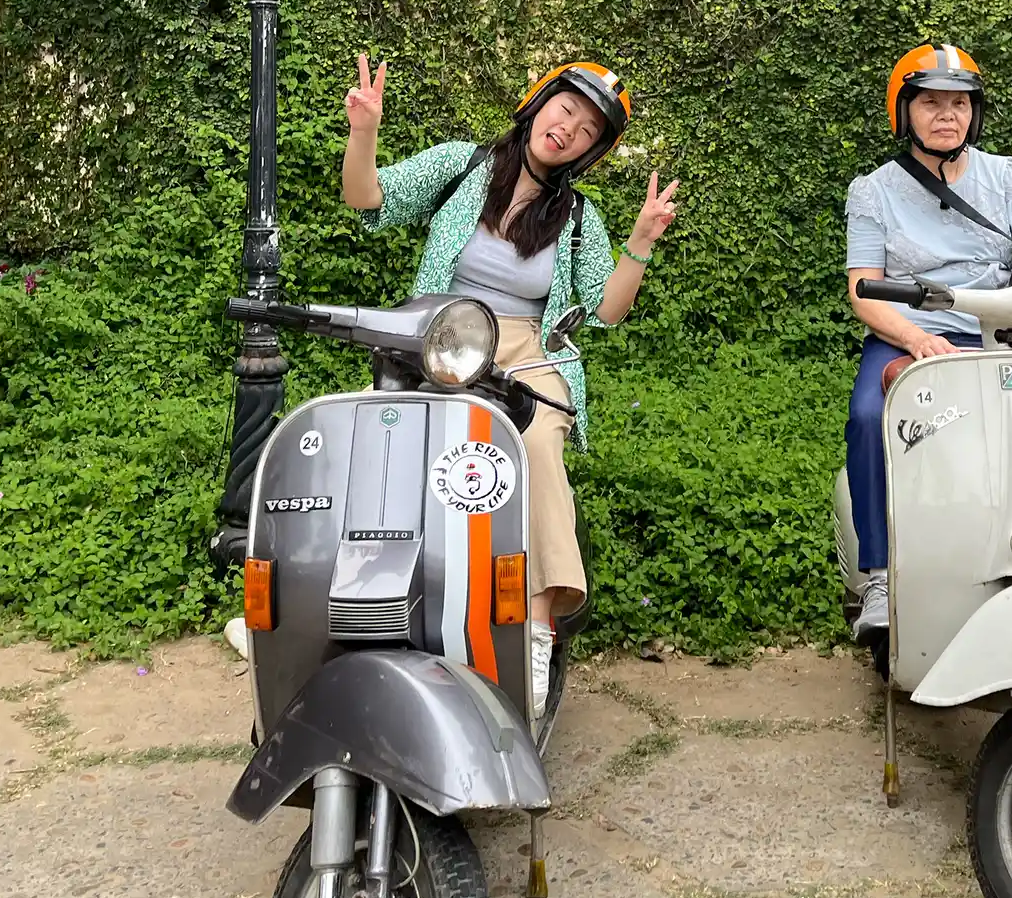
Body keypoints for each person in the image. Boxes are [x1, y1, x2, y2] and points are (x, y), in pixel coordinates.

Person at [223, 56, 679, 717]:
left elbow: (605, 310)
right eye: (564, 109)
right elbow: (369, 200)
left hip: (523, 351)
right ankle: (315, 616)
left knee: (538, 450)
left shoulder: (577, 216)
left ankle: (538, 634)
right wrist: (365, 132)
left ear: (592, 151)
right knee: (374, 448)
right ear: (537, 102)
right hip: (436, 337)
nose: (568, 129)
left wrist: (639, 240)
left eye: (585, 130)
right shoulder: (463, 166)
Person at [843, 42, 1012, 649]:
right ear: (904, 111)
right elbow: (863, 290)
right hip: (909, 333)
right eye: (932, 103)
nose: (948, 115)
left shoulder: (1004, 176)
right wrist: (917, 338)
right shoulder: (874, 191)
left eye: (961, 103)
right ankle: (880, 578)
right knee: (869, 416)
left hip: (1004, 324)